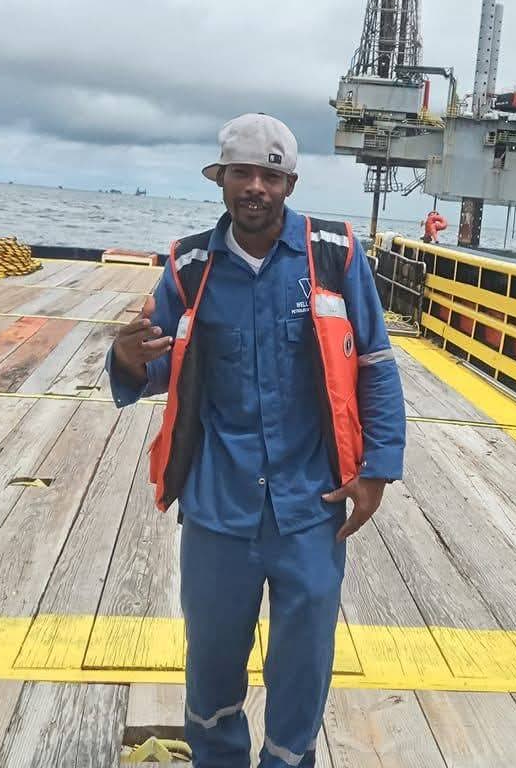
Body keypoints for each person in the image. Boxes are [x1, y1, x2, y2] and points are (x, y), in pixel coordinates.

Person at [105, 113, 406, 768]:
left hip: (312, 506)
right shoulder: (189, 266)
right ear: (220, 179)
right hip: (219, 506)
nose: (255, 188)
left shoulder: (336, 255)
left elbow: (376, 363)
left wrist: (377, 468)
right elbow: (154, 359)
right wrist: (125, 358)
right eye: (241, 173)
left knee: (304, 666)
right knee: (212, 665)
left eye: (270, 176)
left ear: (290, 183)